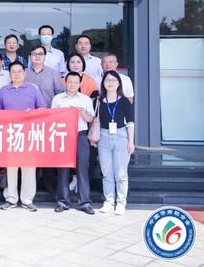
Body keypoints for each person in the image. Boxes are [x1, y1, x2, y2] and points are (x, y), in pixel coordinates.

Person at [0, 61, 46, 212]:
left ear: (24, 74)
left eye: (19, 71)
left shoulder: (33, 89)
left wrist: (33, 113)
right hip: (10, 134)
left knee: (28, 167)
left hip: (29, 134)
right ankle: (11, 198)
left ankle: (27, 199)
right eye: (13, 72)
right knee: (10, 167)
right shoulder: (3, 91)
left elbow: (43, 108)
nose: (16, 74)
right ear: (9, 74)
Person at [52, 72, 95, 215]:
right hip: (63, 135)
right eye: (70, 82)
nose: (72, 85)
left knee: (82, 169)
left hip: (80, 135)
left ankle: (85, 202)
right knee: (62, 169)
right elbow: (52, 118)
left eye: (76, 82)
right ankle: (63, 202)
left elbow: (91, 119)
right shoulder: (57, 99)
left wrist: (83, 114)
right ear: (65, 82)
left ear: (79, 83)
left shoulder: (85, 99)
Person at [93, 71, 135, 216]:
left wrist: (131, 142)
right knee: (107, 172)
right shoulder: (98, 101)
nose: (110, 83)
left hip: (121, 136)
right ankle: (109, 201)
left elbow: (130, 122)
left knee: (121, 173)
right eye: (107, 80)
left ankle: (121, 202)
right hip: (103, 137)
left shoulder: (124, 101)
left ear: (118, 83)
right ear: (103, 83)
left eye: (113, 80)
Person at [26, 45, 65, 193]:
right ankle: (31, 184)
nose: (37, 56)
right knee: (30, 150)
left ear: (45, 56)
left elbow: (60, 93)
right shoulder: (24, 73)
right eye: (34, 54)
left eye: (40, 54)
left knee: (48, 150)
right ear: (30, 56)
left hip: (49, 118)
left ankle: (48, 183)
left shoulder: (53, 73)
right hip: (28, 119)